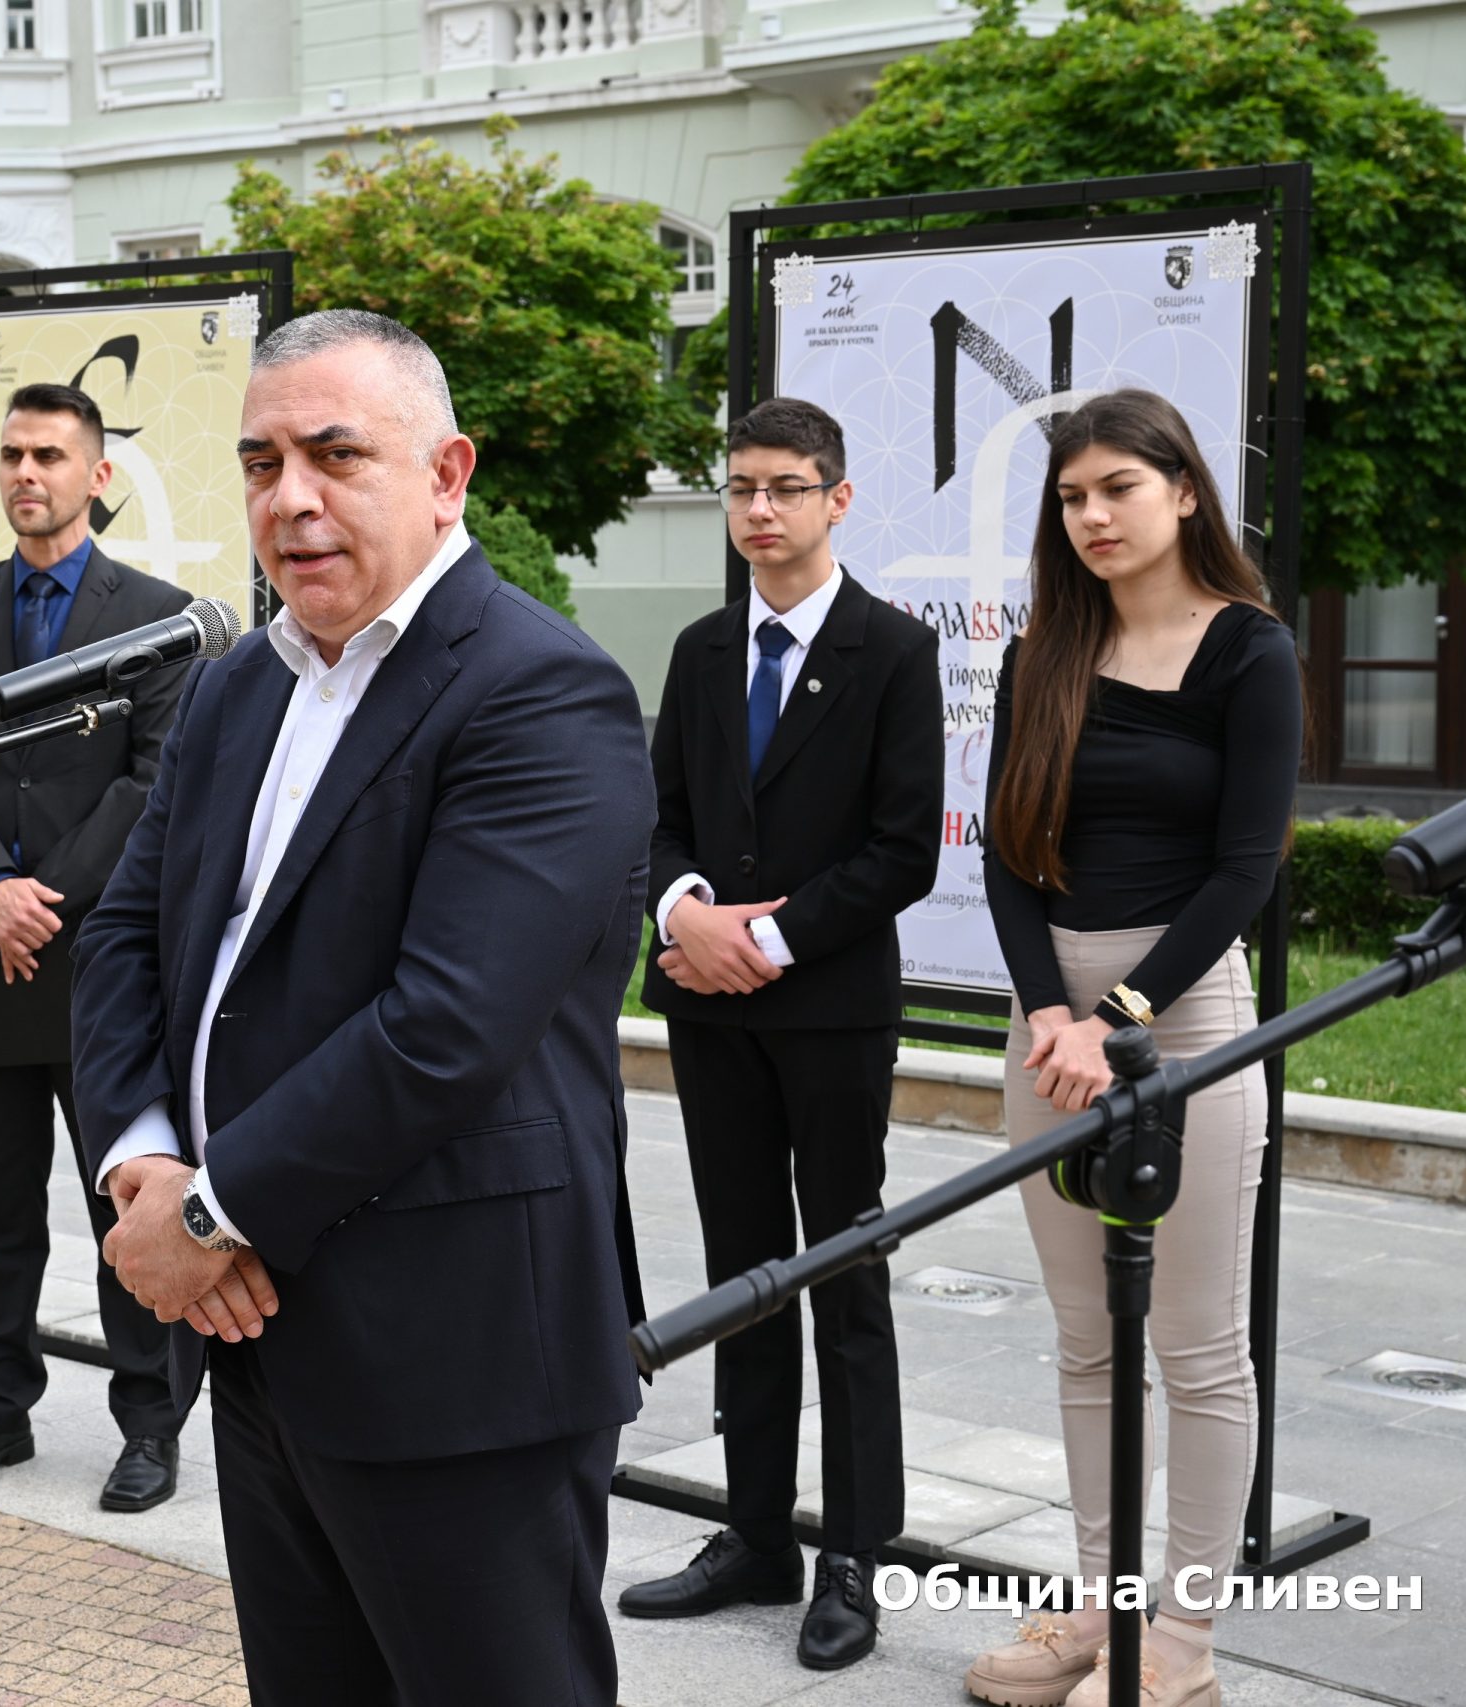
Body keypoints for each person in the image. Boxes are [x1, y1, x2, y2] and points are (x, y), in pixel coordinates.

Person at [72, 310, 655, 1706]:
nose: (290, 498)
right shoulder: (234, 688)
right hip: (257, 1336)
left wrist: (206, 1219)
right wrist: (142, 1159)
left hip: (453, 1349)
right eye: (260, 462)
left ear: (446, 473)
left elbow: (444, 1027)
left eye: (335, 455)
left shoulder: (541, 690)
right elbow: (123, 936)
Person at [964, 389, 1301, 1707]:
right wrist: (1049, 1011)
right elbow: (1007, 858)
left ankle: (1184, 1643)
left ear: (1184, 491)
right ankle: (1103, 1610)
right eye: (1070, 496)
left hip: (1182, 1017)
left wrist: (1121, 1020)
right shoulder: (1041, 650)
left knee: (1199, 1348)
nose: (1092, 515)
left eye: (1118, 487)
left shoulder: (1248, 651)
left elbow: (1243, 870)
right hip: (1049, 1030)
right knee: (1086, 1339)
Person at [620, 397, 942, 1672]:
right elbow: (659, 820)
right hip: (710, 1018)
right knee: (742, 1276)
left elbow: (903, 851)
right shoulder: (703, 649)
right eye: (741, 487)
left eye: (785, 488)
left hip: (828, 1015)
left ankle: (853, 1555)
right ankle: (755, 1533)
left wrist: (768, 942)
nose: (758, 509)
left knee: (843, 1275)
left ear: (836, 499)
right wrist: (685, 912)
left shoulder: (892, 649)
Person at [0, 381, 194, 1515]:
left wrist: (46, 898)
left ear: (97, 475)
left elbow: (152, 781)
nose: (28, 474)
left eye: (51, 456)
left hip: (97, 954)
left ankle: (149, 1423)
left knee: (125, 1194)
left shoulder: (157, 614)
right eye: (14, 454)